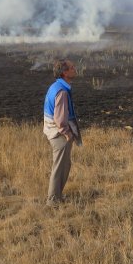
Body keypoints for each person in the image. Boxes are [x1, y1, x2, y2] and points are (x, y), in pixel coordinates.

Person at [43, 59, 82, 207]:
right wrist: (67, 134)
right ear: (65, 72)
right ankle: (53, 201)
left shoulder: (56, 86)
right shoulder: (62, 92)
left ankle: (57, 197)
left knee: (64, 166)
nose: (75, 69)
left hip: (54, 131)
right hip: (59, 135)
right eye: (72, 67)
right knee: (59, 167)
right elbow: (60, 120)